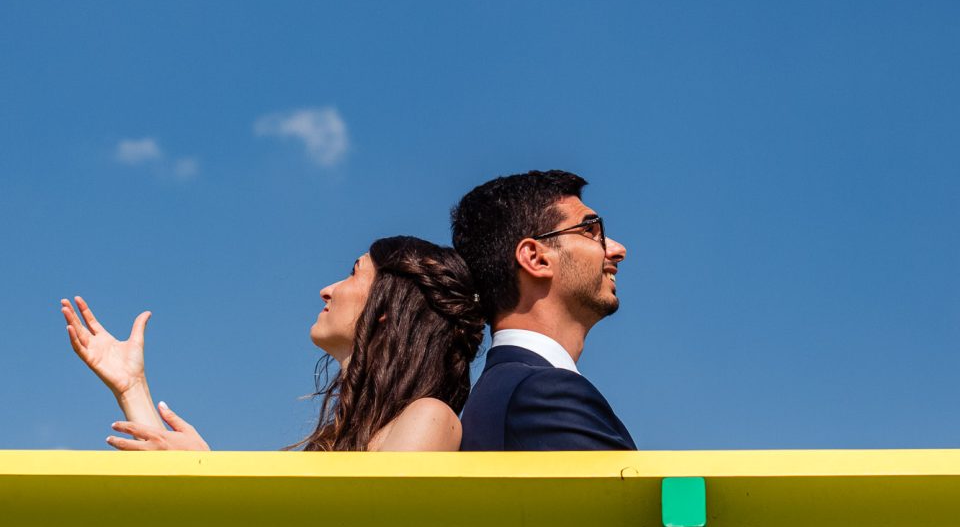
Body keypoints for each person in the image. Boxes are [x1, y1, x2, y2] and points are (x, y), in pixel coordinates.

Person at [61, 236, 484, 451]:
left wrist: (207, 474)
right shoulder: (343, 434)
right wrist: (132, 387)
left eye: (354, 273)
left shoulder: (429, 418)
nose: (326, 289)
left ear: (387, 308)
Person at [451, 170, 636, 451]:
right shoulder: (541, 392)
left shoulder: (510, 387)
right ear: (535, 258)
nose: (617, 249)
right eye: (590, 231)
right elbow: (623, 496)